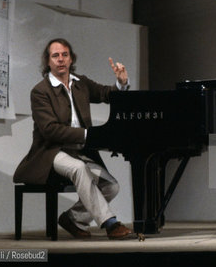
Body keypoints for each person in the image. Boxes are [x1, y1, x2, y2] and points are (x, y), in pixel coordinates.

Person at [13, 38, 132, 240]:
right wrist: (88, 135)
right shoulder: (40, 91)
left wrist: (121, 83)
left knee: (111, 186)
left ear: (71, 59)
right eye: (55, 56)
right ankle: (110, 224)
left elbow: (105, 93)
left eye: (65, 55)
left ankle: (71, 218)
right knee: (79, 169)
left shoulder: (81, 83)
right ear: (48, 61)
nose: (61, 59)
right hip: (51, 152)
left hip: (79, 151)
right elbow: (50, 130)